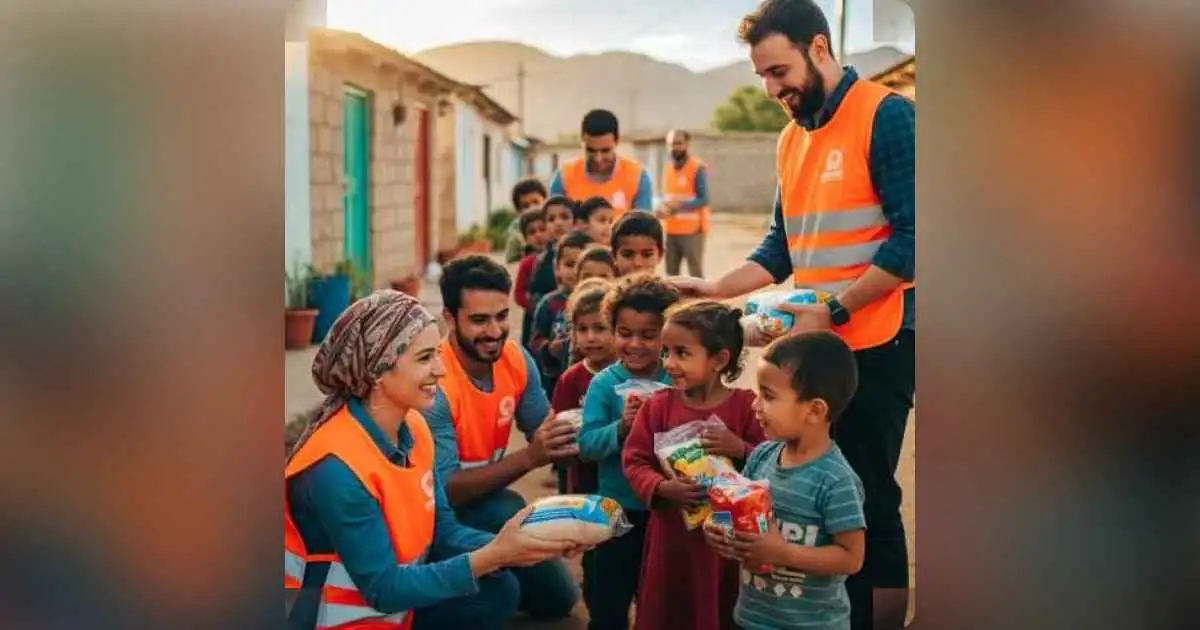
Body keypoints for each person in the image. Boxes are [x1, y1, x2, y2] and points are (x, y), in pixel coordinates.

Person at [675, 2, 916, 626]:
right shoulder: (791, 139)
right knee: (814, 494)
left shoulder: (886, 117)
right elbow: (780, 246)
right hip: (819, 345)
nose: (771, 88)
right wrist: (714, 287)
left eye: (779, 71)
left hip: (878, 345)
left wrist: (834, 310)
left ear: (818, 47)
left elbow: (916, 239)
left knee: (869, 501)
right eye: (761, 76)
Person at [284, 290, 579, 630]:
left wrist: (522, 543)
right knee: (489, 584)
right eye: (425, 358)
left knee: (497, 588)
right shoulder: (335, 469)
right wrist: (492, 555)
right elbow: (384, 589)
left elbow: (443, 529)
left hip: (387, 605)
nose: (440, 370)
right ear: (377, 371)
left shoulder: (413, 427)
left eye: (437, 354)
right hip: (332, 618)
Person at [423, 256, 583, 621]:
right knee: (498, 596)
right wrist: (530, 458)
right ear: (450, 319)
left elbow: (546, 431)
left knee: (559, 599)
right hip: (435, 517)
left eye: (501, 316)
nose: (494, 331)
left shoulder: (514, 356)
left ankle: (495, 568)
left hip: (488, 503)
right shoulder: (435, 383)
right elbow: (446, 492)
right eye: (479, 320)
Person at [704, 331, 867, 630]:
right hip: (751, 618)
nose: (755, 405)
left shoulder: (836, 480)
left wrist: (783, 553)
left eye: (768, 396)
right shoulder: (762, 456)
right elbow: (737, 509)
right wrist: (718, 527)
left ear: (815, 410)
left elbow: (851, 558)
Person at [621, 301, 767, 630]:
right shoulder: (657, 407)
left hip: (727, 546)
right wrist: (661, 487)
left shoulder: (746, 408)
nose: (669, 363)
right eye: (666, 352)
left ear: (719, 360)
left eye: (682, 354)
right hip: (671, 542)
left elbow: (773, 461)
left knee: (721, 608)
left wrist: (740, 448)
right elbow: (635, 460)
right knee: (667, 608)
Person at [578, 274, 681, 630]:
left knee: (661, 600)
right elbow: (587, 445)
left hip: (667, 512)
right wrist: (621, 428)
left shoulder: (677, 379)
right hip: (616, 511)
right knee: (608, 601)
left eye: (649, 335)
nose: (634, 344)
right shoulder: (605, 385)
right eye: (624, 333)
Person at [550, 277, 616, 496]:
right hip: (584, 480)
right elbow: (559, 430)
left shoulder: (631, 375)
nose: (590, 337)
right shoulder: (570, 379)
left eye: (600, 328)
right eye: (582, 329)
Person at [549, 109, 654, 219]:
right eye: (591, 150)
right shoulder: (564, 177)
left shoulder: (637, 176)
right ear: (582, 141)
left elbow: (644, 229)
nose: (598, 158)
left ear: (617, 141)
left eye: (605, 151)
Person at [530, 230, 595, 399]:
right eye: (569, 264)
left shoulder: (602, 302)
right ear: (556, 267)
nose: (575, 272)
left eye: (581, 265)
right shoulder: (549, 304)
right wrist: (550, 348)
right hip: (557, 380)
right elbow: (535, 341)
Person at [655, 129, 711, 278]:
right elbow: (665, 196)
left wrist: (679, 205)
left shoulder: (697, 168)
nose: (675, 147)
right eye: (671, 144)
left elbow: (703, 199)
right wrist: (661, 207)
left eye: (678, 143)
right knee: (671, 276)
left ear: (687, 144)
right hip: (670, 230)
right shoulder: (667, 169)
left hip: (693, 232)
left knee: (695, 275)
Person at [512, 206, 552, 349]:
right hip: (533, 317)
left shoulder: (559, 258)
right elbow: (519, 294)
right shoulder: (527, 263)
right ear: (526, 239)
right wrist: (534, 305)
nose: (538, 235)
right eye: (532, 232)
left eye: (542, 229)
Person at [504, 178, 549, 263]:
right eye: (525, 206)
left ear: (546, 202)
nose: (532, 208)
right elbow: (511, 263)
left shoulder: (552, 223)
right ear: (518, 211)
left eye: (536, 202)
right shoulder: (515, 234)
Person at [611, 211, 666, 277]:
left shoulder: (672, 287)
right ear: (613, 256)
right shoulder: (601, 286)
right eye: (627, 255)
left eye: (647, 255)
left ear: (660, 255)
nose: (637, 263)